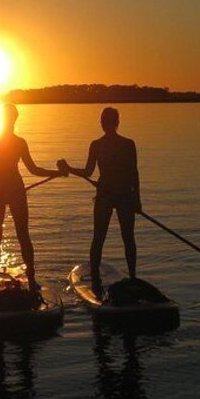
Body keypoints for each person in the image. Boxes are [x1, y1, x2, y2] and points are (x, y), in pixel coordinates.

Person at [0, 103, 66, 294]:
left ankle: (29, 279)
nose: (11, 122)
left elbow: (33, 169)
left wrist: (55, 173)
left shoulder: (13, 143)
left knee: (17, 235)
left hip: (11, 191)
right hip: (0, 192)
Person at [59, 107, 140, 293]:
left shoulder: (116, 144)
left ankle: (102, 276)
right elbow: (133, 174)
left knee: (102, 237)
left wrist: (69, 168)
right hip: (114, 195)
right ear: (117, 122)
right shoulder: (124, 144)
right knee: (122, 237)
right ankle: (131, 276)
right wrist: (137, 199)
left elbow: (132, 172)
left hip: (116, 195)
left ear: (103, 123)